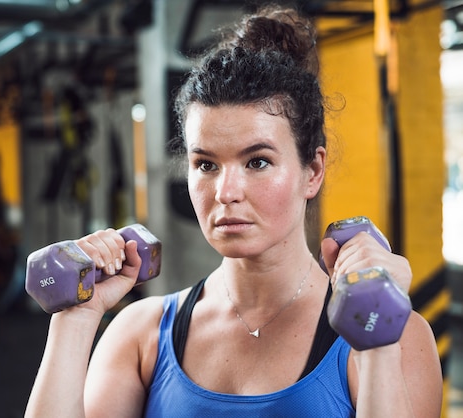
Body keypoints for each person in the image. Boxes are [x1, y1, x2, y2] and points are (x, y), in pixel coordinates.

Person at [25, 4, 443, 417]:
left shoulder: (393, 335)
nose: (225, 192)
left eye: (257, 162)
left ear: (312, 171)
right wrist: (76, 319)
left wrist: (376, 344)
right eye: (206, 164)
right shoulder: (142, 334)